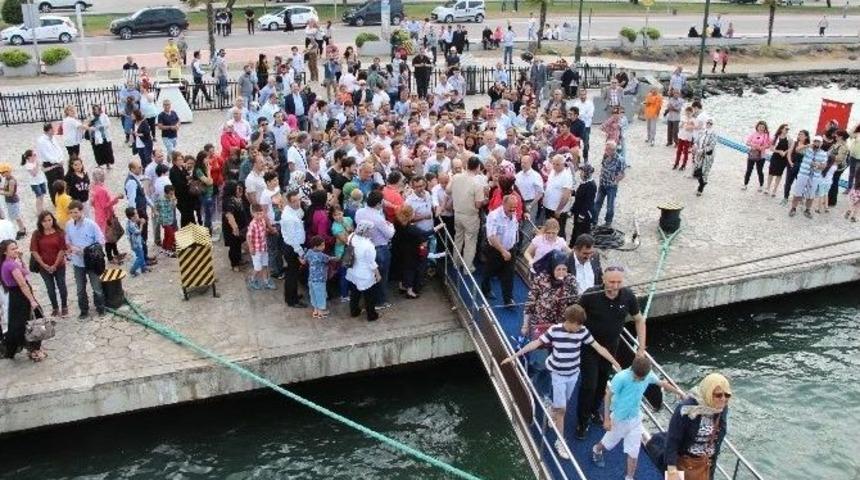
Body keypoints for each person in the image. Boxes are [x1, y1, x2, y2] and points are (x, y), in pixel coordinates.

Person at [501, 304, 621, 460]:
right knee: (562, 410)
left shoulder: (583, 331)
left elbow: (599, 348)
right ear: (569, 321)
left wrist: (615, 363)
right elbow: (535, 344)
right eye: (577, 325)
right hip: (558, 374)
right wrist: (514, 356)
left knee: (563, 403)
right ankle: (560, 441)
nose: (579, 329)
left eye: (580, 326)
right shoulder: (555, 330)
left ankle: (553, 409)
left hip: (573, 374)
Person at [576, 265, 647, 439]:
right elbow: (576, 316)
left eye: (618, 282)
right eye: (611, 282)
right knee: (589, 385)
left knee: (602, 383)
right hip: (590, 346)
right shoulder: (590, 295)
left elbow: (639, 319)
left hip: (611, 348)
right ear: (603, 280)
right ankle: (582, 421)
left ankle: (594, 411)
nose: (615, 286)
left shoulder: (628, 296)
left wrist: (641, 347)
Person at [592, 355, 686, 480]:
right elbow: (608, 396)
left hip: (635, 418)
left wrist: (679, 393)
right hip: (619, 418)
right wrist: (607, 419)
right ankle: (596, 450)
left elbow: (662, 383)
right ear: (632, 370)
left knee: (634, 451)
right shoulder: (621, 378)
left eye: (642, 379)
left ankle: (629, 477)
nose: (639, 380)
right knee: (608, 443)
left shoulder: (647, 375)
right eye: (637, 378)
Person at [657, 373, 732, 480]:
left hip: (705, 463)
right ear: (708, 392)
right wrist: (672, 469)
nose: (723, 399)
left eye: (727, 395)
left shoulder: (721, 408)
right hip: (683, 461)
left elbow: (719, 434)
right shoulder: (687, 408)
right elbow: (673, 439)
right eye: (718, 395)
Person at [0, 239, 47, 362]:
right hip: (21, 297)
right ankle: (34, 351)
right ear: (5, 252)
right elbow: (23, 284)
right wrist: (32, 300)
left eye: (16, 247)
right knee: (32, 322)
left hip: (17, 297)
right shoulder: (11, 265)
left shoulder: (9, 263)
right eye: (12, 249)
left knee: (21, 324)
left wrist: (20, 260)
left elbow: (25, 272)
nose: (16, 250)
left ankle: (29, 349)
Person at [65, 200, 105, 318]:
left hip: (92, 261)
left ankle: (100, 307)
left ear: (81, 211)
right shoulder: (68, 225)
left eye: (76, 212)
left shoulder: (91, 224)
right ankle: (84, 310)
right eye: (71, 212)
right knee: (80, 288)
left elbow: (101, 240)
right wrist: (72, 248)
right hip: (78, 262)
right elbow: (67, 241)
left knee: (96, 286)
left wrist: (88, 250)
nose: (74, 215)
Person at [481, 195, 519, 306]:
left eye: (515, 207)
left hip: (510, 249)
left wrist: (512, 247)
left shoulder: (513, 214)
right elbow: (492, 237)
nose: (513, 209)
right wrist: (503, 251)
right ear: (503, 204)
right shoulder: (494, 216)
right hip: (495, 250)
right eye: (511, 207)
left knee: (509, 274)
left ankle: (508, 300)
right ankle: (486, 289)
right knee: (489, 272)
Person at [30, 211, 68, 317]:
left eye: (49, 220)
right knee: (50, 288)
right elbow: (34, 251)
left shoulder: (59, 232)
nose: (47, 223)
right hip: (44, 267)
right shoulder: (37, 234)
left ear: (53, 220)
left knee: (62, 286)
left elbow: (62, 250)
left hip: (59, 265)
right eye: (44, 221)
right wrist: (43, 264)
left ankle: (64, 306)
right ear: (40, 222)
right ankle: (55, 307)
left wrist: (55, 265)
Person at [346, 220, 381, 322]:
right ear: (366, 231)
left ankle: (354, 311)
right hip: (365, 274)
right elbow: (371, 263)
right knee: (369, 296)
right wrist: (377, 275)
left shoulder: (351, 237)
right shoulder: (368, 245)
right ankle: (371, 315)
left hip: (352, 270)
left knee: (354, 293)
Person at [789, 134, 827, 218]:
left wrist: (818, 165)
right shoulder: (807, 149)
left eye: (818, 142)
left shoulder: (824, 153)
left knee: (811, 194)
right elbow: (797, 150)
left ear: (821, 143)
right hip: (803, 174)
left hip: (815, 176)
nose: (816, 143)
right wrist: (807, 145)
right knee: (797, 192)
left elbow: (824, 166)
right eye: (815, 141)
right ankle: (793, 208)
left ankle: (807, 210)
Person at [280, 190, 307, 308]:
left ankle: (293, 294)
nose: (297, 203)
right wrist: (301, 253)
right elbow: (293, 239)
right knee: (292, 275)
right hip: (292, 248)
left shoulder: (293, 211)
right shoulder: (288, 218)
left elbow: (300, 214)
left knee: (293, 273)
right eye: (294, 201)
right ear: (289, 203)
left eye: (298, 200)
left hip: (293, 247)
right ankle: (292, 300)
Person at [592, 141, 626, 228]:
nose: (605, 150)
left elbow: (622, 174)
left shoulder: (620, 159)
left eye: (607, 149)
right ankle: (594, 221)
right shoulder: (605, 156)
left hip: (611, 186)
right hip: (602, 183)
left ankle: (608, 222)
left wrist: (615, 181)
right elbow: (603, 166)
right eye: (606, 149)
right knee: (597, 203)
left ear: (613, 150)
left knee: (610, 205)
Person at [305, 235, 335, 318]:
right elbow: (329, 259)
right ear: (316, 246)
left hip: (311, 279)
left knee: (313, 295)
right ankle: (321, 312)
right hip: (320, 279)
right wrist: (336, 258)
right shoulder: (321, 255)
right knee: (321, 295)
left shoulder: (309, 252)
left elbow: (305, 259)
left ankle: (315, 311)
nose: (324, 246)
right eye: (322, 245)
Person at [247, 204, 275, 290]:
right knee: (258, 268)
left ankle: (266, 281)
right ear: (253, 214)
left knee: (265, 265)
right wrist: (251, 248)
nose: (260, 215)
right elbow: (248, 236)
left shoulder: (262, 220)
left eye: (261, 213)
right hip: (256, 250)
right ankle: (251, 280)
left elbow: (263, 231)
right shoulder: (253, 224)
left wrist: (269, 230)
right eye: (257, 214)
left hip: (264, 248)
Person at [222, 181, 249, 271]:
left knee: (237, 245)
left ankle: (239, 260)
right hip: (232, 228)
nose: (239, 190)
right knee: (233, 246)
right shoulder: (229, 201)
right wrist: (235, 227)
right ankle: (235, 265)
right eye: (237, 188)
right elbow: (229, 215)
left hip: (240, 227)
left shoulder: (235, 198)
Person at [36, 123, 65, 205]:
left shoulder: (53, 138)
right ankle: (55, 201)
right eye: (53, 129)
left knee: (61, 181)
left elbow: (58, 149)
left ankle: (62, 198)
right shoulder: (41, 141)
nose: (54, 130)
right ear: (49, 130)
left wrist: (61, 159)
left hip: (59, 163)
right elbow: (46, 154)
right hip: (50, 164)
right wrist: (56, 161)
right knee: (53, 183)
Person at [0, 163, 27, 239]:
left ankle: (22, 231)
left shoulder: (11, 180)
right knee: (15, 216)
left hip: (13, 201)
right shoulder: (7, 179)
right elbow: (6, 189)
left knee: (17, 217)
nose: (1, 174)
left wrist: (0, 192)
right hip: (9, 201)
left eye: (2, 172)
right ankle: (22, 229)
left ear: (7, 171)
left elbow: (10, 193)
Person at [693, 118, 717, 196]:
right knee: (697, 171)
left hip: (707, 156)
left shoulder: (714, 134)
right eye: (707, 123)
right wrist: (695, 145)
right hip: (699, 155)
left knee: (704, 171)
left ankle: (701, 188)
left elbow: (712, 145)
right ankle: (702, 183)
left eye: (710, 123)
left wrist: (703, 150)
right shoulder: (703, 131)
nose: (708, 124)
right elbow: (697, 140)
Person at [743, 121, 770, 191]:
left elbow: (768, 145)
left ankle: (761, 185)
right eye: (760, 126)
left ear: (765, 128)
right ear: (757, 127)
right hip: (752, 154)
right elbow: (747, 142)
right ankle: (745, 184)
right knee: (749, 170)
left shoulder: (766, 135)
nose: (761, 128)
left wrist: (762, 147)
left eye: (763, 127)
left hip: (761, 156)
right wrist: (753, 145)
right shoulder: (753, 134)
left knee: (759, 171)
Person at [22, 149, 48, 215]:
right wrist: (37, 165)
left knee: (42, 196)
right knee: (38, 196)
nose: (35, 156)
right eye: (34, 155)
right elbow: (34, 174)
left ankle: (41, 209)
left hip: (41, 181)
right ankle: (38, 211)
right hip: (35, 183)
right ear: (29, 157)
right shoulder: (28, 165)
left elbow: (43, 170)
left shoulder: (36, 162)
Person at [124, 207, 148, 277]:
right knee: (140, 258)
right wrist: (141, 224)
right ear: (132, 217)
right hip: (135, 244)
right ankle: (132, 270)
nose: (137, 215)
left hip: (137, 242)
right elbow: (139, 232)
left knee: (142, 255)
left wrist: (140, 220)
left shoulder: (130, 221)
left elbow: (136, 221)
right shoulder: (131, 225)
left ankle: (144, 268)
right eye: (136, 214)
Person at [156, 184, 177, 257]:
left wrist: (173, 200)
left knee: (167, 235)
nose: (172, 195)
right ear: (166, 193)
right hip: (164, 220)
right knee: (172, 235)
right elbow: (156, 208)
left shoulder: (172, 198)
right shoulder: (160, 199)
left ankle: (164, 248)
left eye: (173, 193)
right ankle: (168, 250)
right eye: (171, 194)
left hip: (170, 219)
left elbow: (173, 207)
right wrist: (157, 214)